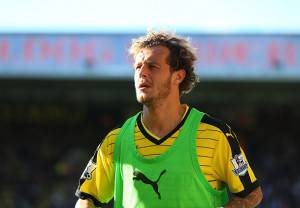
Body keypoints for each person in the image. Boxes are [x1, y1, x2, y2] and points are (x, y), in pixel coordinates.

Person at [75, 31, 263, 208]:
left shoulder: (215, 135)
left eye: (152, 66)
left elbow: (251, 194)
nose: (142, 73)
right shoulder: (115, 141)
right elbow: (86, 199)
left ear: (178, 76)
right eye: (138, 67)